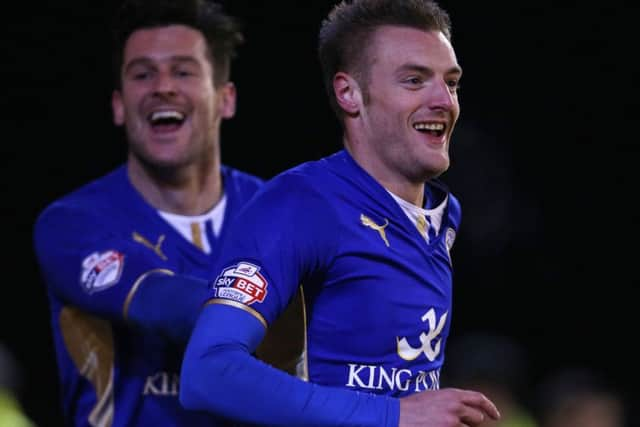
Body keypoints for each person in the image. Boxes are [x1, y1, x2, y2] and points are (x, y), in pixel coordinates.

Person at [179, 0, 501, 425]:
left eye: (451, 83)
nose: (444, 100)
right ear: (349, 93)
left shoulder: (444, 216)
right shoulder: (300, 204)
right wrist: (393, 415)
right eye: (414, 80)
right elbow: (207, 373)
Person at [32, 0, 304, 425]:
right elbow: (159, 302)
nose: (162, 87)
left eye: (183, 71)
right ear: (120, 105)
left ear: (225, 98)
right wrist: (279, 313)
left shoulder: (280, 215)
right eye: (143, 74)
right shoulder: (72, 223)